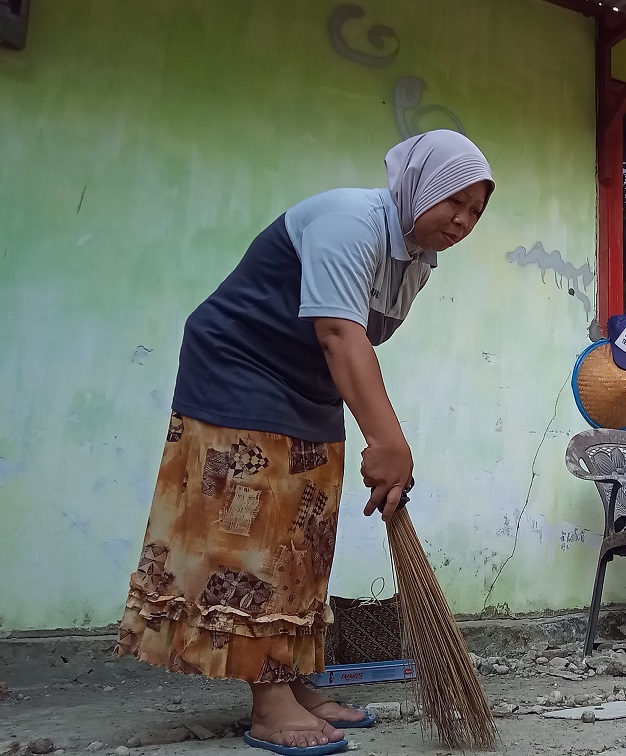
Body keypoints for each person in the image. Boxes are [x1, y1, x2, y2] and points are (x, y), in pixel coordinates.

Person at [114, 130, 494, 755]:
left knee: (304, 536)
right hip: (241, 368)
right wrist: (388, 440)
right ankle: (268, 702)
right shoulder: (351, 222)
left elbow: (358, 344)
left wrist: (380, 440)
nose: (464, 220)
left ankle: (295, 677)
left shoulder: (418, 260)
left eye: (477, 211)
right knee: (258, 534)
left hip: (306, 381)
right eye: (456, 200)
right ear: (421, 185)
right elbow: (341, 334)